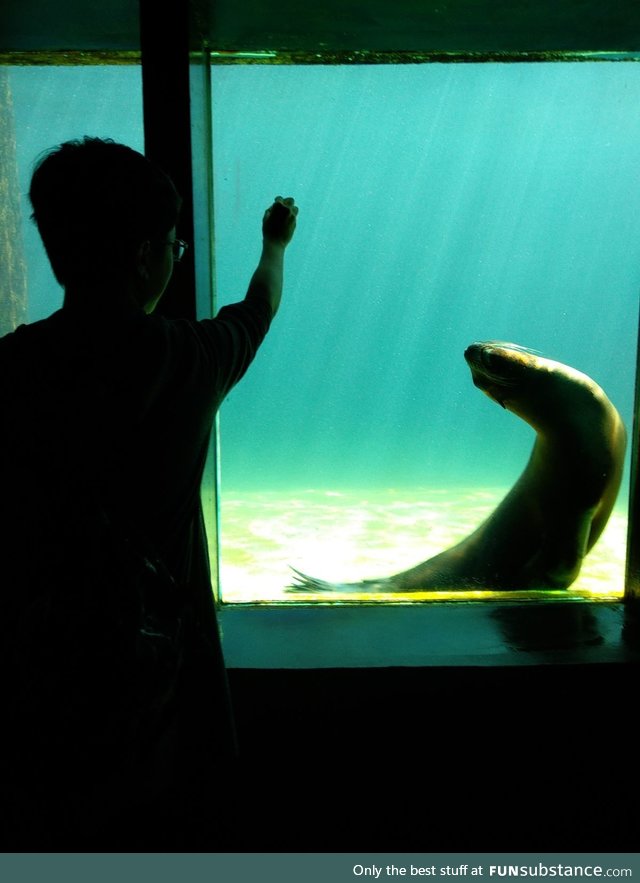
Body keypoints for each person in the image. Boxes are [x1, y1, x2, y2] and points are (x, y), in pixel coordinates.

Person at [0, 136, 298, 848]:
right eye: (173, 244)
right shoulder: (187, 360)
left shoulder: (12, 370)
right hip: (159, 694)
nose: (177, 255)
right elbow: (257, 309)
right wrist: (275, 242)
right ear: (143, 257)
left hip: (36, 691)